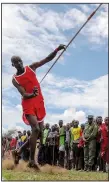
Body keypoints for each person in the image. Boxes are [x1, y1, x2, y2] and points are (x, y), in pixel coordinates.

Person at [11, 44, 66, 168]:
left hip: (39, 102)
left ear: (22, 61)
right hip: (28, 103)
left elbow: (46, 59)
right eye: (15, 62)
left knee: (39, 133)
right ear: (13, 65)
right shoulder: (15, 79)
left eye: (19, 61)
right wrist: (32, 94)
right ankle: (31, 161)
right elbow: (24, 94)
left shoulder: (31, 67)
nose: (19, 63)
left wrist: (57, 50)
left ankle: (18, 151)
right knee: (35, 129)